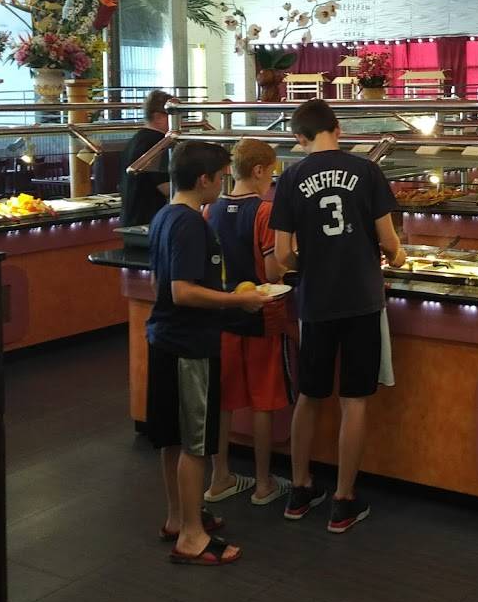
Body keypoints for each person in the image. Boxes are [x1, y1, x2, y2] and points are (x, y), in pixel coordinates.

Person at [271, 98, 406, 533]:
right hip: (362, 299)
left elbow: (282, 255)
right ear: (338, 129)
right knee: (354, 400)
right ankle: (344, 500)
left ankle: (299, 489)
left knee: (309, 396)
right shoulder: (367, 170)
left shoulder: (290, 177)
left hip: (316, 302)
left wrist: (309, 264)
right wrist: (398, 256)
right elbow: (388, 240)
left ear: (299, 137)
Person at [147, 140, 267, 566]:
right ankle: (192, 538)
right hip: (190, 345)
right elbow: (182, 291)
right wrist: (238, 300)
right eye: (220, 178)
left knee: (172, 438)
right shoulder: (190, 224)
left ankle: (179, 518)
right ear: (203, 180)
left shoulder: (165, 216)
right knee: (196, 443)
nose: (223, 185)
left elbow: (161, 285)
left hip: (165, 338)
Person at [204, 138, 292, 507]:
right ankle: (263, 483)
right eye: (271, 173)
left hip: (222, 312)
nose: (271, 180)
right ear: (258, 171)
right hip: (259, 313)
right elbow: (272, 271)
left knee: (223, 399)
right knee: (262, 400)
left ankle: (219, 477)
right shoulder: (265, 212)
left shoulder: (210, 209)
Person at [120, 90, 172, 226]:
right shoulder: (159, 143)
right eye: (173, 116)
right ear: (158, 117)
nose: (180, 122)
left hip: (131, 217)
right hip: (150, 219)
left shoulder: (136, 139)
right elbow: (166, 187)